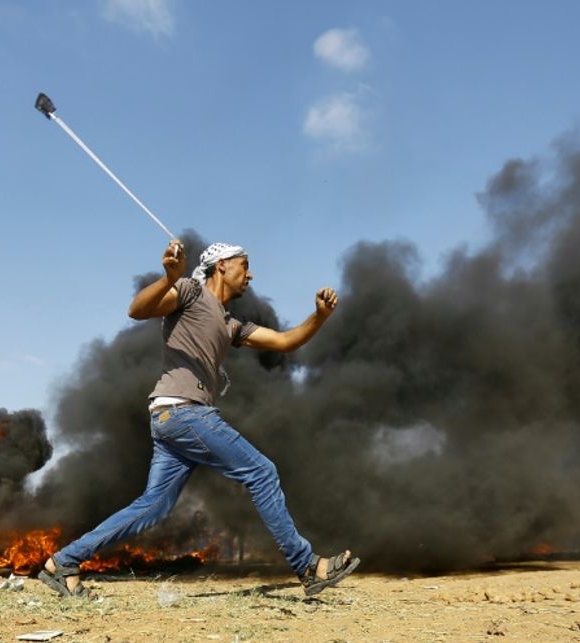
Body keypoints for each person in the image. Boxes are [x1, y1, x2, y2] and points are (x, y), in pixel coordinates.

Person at [38, 240, 359, 598]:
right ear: (221, 265)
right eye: (244, 264)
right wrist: (168, 277)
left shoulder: (229, 323)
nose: (250, 274)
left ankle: (63, 561)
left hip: (168, 417)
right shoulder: (190, 292)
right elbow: (137, 310)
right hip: (184, 412)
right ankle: (307, 566)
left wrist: (319, 316)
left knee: (153, 507)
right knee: (262, 472)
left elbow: (285, 341)